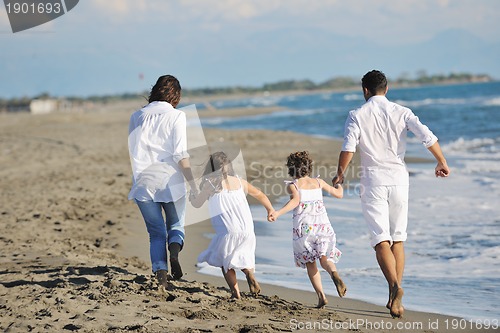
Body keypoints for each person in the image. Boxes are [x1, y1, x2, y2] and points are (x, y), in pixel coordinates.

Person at [332, 70, 450, 318]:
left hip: (373, 180)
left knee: (380, 240)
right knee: (398, 239)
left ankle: (395, 287)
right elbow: (426, 136)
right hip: (399, 180)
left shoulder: (356, 114)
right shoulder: (402, 112)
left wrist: (340, 173)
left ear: (365, 90)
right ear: (387, 88)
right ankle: (395, 299)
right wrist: (441, 161)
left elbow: (348, 147)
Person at [128, 75, 197, 289]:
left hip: (143, 182)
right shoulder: (177, 116)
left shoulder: (136, 116)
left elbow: (134, 152)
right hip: (170, 180)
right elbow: (180, 155)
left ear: (155, 91)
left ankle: (161, 275)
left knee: (156, 234)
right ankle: (174, 253)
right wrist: (193, 184)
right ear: (176, 95)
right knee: (175, 225)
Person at [191, 151, 274, 299]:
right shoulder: (240, 181)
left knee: (226, 262)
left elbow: (197, 204)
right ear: (228, 167)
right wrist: (270, 210)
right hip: (247, 228)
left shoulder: (210, 185)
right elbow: (260, 194)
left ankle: (236, 293)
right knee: (241, 256)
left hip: (227, 230)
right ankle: (249, 273)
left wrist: (193, 195)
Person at [269, 151, 347, 308]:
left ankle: (321, 296)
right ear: (309, 167)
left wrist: (277, 212)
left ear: (291, 169)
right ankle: (334, 274)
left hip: (305, 229)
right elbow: (339, 194)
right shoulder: (319, 182)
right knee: (325, 259)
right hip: (323, 226)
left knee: (311, 263)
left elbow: (295, 202)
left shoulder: (294, 186)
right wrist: (339, 184)